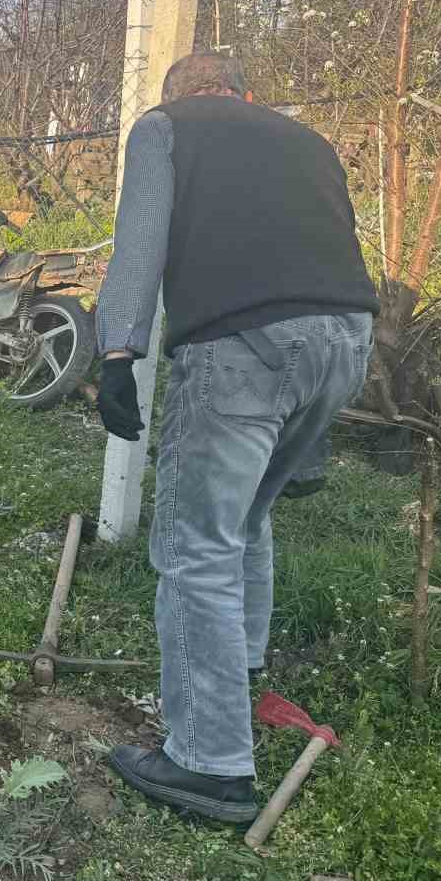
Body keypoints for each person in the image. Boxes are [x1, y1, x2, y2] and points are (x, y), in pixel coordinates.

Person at [94, 52, 377, 823]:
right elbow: (324, 248)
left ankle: (208, 763)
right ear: (246, 94)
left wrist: (116, 352)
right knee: (249, 517)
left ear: (175, 96)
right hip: (347, 340)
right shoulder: (306, 140)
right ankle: (241, 668)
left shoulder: (164, 129)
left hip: (242, 348)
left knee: (195, 547)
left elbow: (139, 244)